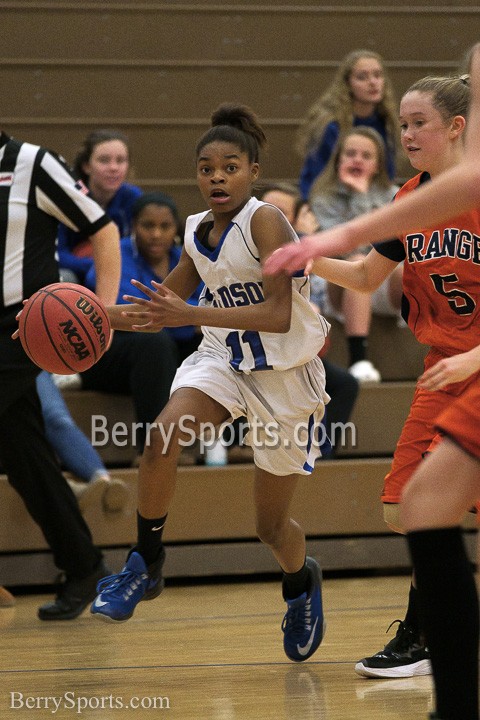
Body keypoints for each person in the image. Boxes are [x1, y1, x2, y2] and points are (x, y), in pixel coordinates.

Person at [264, 56, 480, 692]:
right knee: (402, 509)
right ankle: (442, 626)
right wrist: (301, 261)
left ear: (459, 127)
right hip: (442, 370)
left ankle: (429, 633)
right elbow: (363, 276)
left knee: (432, 511)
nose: (407, 135)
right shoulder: (411, 201)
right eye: (403, 125)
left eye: (420, 124)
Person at [90, 103, 331, 664]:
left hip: (285, 376)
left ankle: (300, 584)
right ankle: (145, 561)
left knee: (270, 528)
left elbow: (277, 315)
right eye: (206, 168)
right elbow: (159, 309)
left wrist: (190, 314)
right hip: (223, 360)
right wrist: (87, 312)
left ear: (250, 171)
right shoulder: (198, 230)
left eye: (229, 166)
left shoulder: (265, 220)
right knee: (162, 438)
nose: (216, 177)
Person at [1, 127, 121, 620]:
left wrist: (105, 315)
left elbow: (104, 229)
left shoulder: (32, 162)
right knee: (22, 450)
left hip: (23, 326)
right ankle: (84, 565)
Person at [82, 192, 200, 460]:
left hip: (166, 356)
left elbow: (211, 304)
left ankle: (236, 441)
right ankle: (153, 449)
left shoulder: (187, 259)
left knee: (219, 341)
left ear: (176, 228)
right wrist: (189, 318)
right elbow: (133, 314)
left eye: (165, 226)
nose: (156, 234)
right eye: (148, 226)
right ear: (134, 226)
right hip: (112, 355)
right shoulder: (118, 253)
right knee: (153, 343)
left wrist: (190, 317)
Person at [258, 182, 359, 455]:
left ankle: (319, 459)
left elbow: (317, 308)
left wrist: (301, 242)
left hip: (294, 348)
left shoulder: (301, 252)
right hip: (253, 345)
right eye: (265, 209)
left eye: (280, 212)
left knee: (343, 384)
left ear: (291, 220)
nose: (268, 216)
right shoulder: (245, 242)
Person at [309, 127, 402, 382]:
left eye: (366, 155)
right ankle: (358, 359)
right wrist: (360, 196)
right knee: (358, 261)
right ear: (338, 159)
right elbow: (342, 247)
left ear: (378, 164)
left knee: (407, 269)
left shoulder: (395, 195)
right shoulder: (323, 197)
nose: (357, 160)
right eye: (350, 153)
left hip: (383, 280)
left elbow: (391, 246)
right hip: (338, 283)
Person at [296, 49, 400, 201]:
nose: (373, 82)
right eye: (362, 77)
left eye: (377, 75)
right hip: (331, 203)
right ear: (348, 84)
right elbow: (316, 177)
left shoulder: (388, 123)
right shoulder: (331, 126)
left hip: (374, 203)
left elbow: (386, 177)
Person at [36, 370, 130, 513]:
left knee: (56, 417)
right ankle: (62, 485)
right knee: (44, 418)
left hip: (25, 362)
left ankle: (101, 480)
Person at [57, 128, 142, 284]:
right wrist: (99, 264)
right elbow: (57, 253)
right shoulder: (68, 198)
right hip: (77, 275)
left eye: (121, 160)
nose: (113, 167)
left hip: (122, 273)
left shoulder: (134, 198)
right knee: (64, 277)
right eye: (104, 160)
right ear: (86, 166)